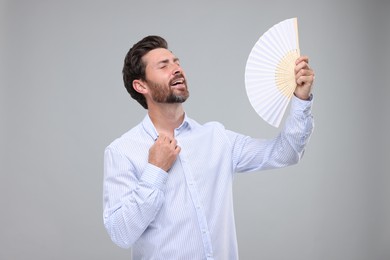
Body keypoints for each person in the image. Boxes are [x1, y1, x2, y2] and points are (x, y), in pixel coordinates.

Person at [103, 35, 315, 259]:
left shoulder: (216, 138)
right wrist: (155, 171)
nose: (176, 69)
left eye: (176, 62)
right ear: (141, 85)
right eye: (164, 66)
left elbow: (287, 152)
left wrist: (301, 99)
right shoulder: (122, 151)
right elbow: (121, 233)